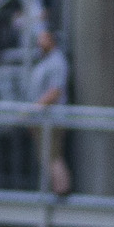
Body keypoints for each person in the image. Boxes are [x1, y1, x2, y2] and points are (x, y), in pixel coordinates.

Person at [27, 29, 71, 197]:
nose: (39, 42)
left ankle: (62, 191)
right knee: (47, 156)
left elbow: (55, 91)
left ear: (52, 39)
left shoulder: (57, 61)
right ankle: (56, 190)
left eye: (43, 38)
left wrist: (31, 110)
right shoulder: (45, 61)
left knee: (52, 155)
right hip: (42, 119)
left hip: (52, 118)